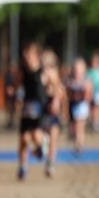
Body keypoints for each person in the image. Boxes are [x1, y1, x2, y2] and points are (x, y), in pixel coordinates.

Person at [17, 42, 48, 181]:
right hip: (27, 109)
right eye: (25, 54)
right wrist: (15, 93)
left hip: (40, 109)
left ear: (36, 56)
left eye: (29, 54)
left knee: (35, 136)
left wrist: (57, 100)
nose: (26, 57)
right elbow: (18, 85)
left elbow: (56, 85)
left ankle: (42, 145)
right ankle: (23, 167)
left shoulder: (44, 71)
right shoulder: (22, 71)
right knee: (23, 139)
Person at [40, 49, 66, 178]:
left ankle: (51, 163)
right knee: (44, 135)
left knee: (53, 137)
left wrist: (56, 101)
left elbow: (60, 91)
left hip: (52, 106)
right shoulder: (40, 74)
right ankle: (46, 154)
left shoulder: (54, 74)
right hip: (43, 107)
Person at [67, 57, 92, 155]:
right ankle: (77, 143)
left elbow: (88, 94)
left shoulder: (86, 81)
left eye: (79, 69)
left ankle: (79, 145)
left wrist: (86, 101)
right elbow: (68, 93)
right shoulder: (70, 81)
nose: (77, 71)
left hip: (82, 106)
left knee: (79, 125)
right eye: (75, 69)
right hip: (73, 105)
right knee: (74, 126)